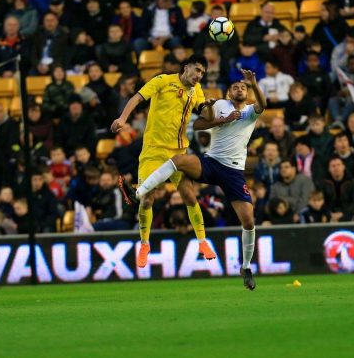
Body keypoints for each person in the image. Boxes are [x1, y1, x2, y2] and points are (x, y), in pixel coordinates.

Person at [121, 69, 266, 289]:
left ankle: (246, 267)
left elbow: (263, 105)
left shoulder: (249, 111)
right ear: (228, 92)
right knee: (179, 160)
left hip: (234, 172)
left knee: (248, 220)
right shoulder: (219, 105)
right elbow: (198, 125)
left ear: (247, 93)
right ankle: (138, 192)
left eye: (243, 88)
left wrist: (254, 83)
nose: (239, 89)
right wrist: (221, 120)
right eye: (235, 87)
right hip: (211, 162)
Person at [110, 55, 216, 268]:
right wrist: (123, 118)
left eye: (202, 73)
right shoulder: (162, 81)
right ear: (186, 67)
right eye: (196, 70)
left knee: (189, 195)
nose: (198, 75)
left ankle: (203, 241)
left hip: (178, 152)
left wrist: (211, 107)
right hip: (153, 151)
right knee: (147, 199)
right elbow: (137, 98)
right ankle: (144, 244)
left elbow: (206, 115)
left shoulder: (197, 91)